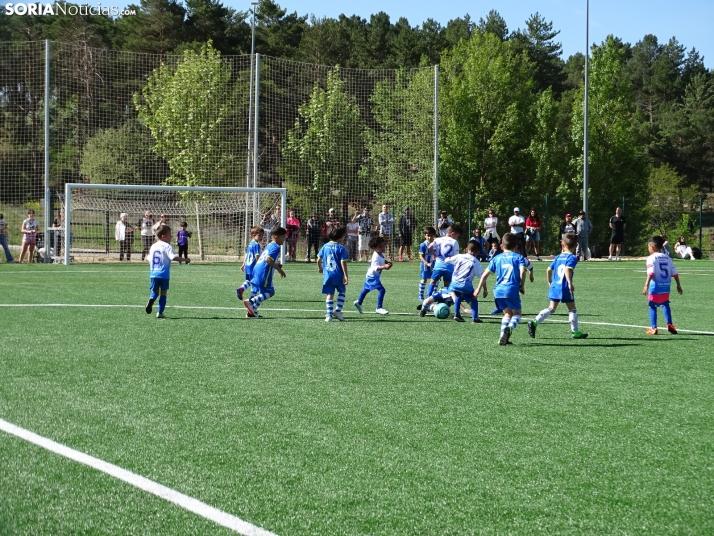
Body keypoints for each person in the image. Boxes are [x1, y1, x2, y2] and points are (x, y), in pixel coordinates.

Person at [527, 233, 589, 340]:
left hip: (555, 286)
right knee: (572, 309)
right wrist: (569, 283)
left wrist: (549, 281)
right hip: (565, 287)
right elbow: (567, 270)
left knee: (551, 308)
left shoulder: (558, 257)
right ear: (576, 245)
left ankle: (534, 322)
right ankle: (575, 332)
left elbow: (548, 270)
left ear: (563, 245)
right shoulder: (572, 258)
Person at [474, 233, 527, 346]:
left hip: (498, 291)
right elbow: (523, 271)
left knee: (507, 314)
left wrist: (478, 289)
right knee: (517, 313)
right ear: (516, 246)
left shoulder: (496, 258)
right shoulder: (519, 257)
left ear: (502, 246)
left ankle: (502, 338)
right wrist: (522, 285)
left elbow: (484, 275)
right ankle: (510, 328)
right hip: (511, 289)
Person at [144, 224, 189, 319]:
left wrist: (152, 267)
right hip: (163, 274)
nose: (171, 236)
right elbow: (173, 257)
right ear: (163, 237)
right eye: (169, 235)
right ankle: (159, 312)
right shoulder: (167, 246)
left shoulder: (153, 246)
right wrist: (185, 260)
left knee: (155, 291)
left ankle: (152, 299)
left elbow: (148, 259)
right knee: (163, 292)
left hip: (153, 274)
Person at [642, 235, 683, 335]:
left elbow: (651, 273)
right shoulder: (667, 258)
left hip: (655, 287)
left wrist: (646, 285)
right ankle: (670, 324)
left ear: (652, 247)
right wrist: (678, 285)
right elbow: (675, 273)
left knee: (652, 306)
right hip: (666, 286)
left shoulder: (651, 258)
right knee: (665, 304)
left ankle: (654, 328)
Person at [243, 227, 287, 318]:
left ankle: (252, 312)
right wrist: (279, 270)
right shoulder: (276, 247)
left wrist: (277, 265)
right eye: (283, 237)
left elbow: (267, 258)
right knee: (270, 292)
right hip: (264, 272)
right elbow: (268, 260)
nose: (284, 240)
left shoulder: (270, 245)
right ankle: (250, 301)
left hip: (257, 269)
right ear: (276, 237)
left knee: (263, 293)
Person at [443, 241, 487, 323]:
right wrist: (485, 289)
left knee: (458, 295)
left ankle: (457, 314)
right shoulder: (477, 262)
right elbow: (483, 277)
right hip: (465, 284)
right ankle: (475, 318)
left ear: (467, 249)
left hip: (454, 283)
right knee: (473, 299)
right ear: (478, 252)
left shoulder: (459, 256)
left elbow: (446, 260)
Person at [353, 235, 392, 315]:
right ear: (374, 248)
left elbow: (382, 259)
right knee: (382, 290)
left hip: (372, 276)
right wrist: (384, 267)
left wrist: (387, 262)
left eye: (383, 246)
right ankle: (379, 308)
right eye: (380, 246)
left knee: (366, 289)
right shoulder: (375, 256)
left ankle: (359, 302)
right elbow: (375, 267)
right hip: (372, 276)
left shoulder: (381, 253)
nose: (382, 248)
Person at [318, 227, 349, 322]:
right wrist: (346, 276)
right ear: (340, 237)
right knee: (342, 292)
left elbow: (318, 259)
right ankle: (338, 311)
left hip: (328, 275)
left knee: (330, 294)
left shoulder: (325, 246)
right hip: (338, 275)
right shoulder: (341, 248)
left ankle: (328, 315)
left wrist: (320, 268)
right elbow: (343, 263)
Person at [426, 223, 462, 297]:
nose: (457, 238)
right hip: (448, 268)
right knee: (447, 285)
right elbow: (456, 257)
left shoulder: (438, 239)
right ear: (453, 234)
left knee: (432, 282)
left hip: (438, 266)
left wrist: (434, 254)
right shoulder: (454, 242)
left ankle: (428, 298)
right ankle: (444, 300)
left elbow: (429, 247)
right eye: (457, 236)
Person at [237, 226, 264, 300]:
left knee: (249, 280)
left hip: (248, 266)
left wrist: (243, 264)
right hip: (254, 266)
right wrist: (260, 266)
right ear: (253, 235)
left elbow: (246, 254)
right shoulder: (256, 245)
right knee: (256, 281)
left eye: (262, 235)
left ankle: (241, 289)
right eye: (259, 235)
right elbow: (257, 256)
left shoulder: (250, 244)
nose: (261, 237)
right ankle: (252, 296)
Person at [418, 227, 437, 301]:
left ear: (434, 236)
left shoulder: (435, 244)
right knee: (424, 279)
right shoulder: (423, 245)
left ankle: (434, 294)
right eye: (428, 235)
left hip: (434, 264)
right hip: (425, 265)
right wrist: (427, 263)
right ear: (425, 236)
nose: (429, 237)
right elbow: (421, 256)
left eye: (431, 235)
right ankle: (421, 295)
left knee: (435, 279)